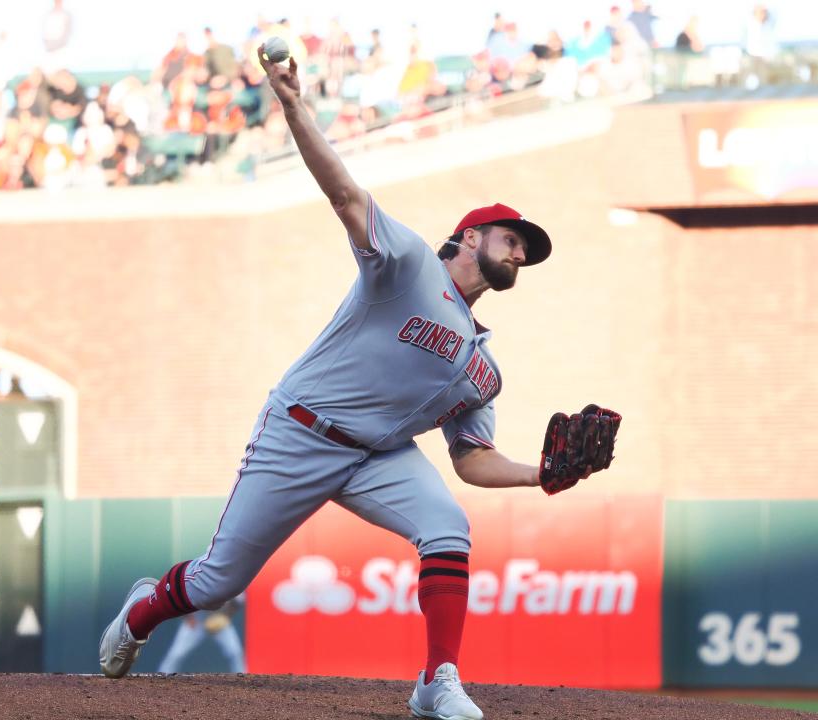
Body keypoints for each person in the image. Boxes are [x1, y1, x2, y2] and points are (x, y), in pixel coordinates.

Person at [99, 44, 616, 720]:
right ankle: (143, 610)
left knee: (447, 528)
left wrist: (540, 475)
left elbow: (471, 460)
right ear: (468, 235)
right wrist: (293, 107)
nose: (520, 250)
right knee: (218, 581)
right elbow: (343, 192)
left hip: (378, 456)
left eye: (526, 249)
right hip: (301, 429)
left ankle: (437, 682)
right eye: (510, 236)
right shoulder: (405, 263)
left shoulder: (484, 369)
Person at [157, 596, 246, 674]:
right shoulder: (195, 578)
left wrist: (226, 616)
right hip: (196, 619)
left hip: (218, 617)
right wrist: (188, 617)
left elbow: (239, 600)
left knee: (235, 652)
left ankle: (242, 680)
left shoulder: (229, 579)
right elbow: (179, 597)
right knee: (177, 653)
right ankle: (162, 677)